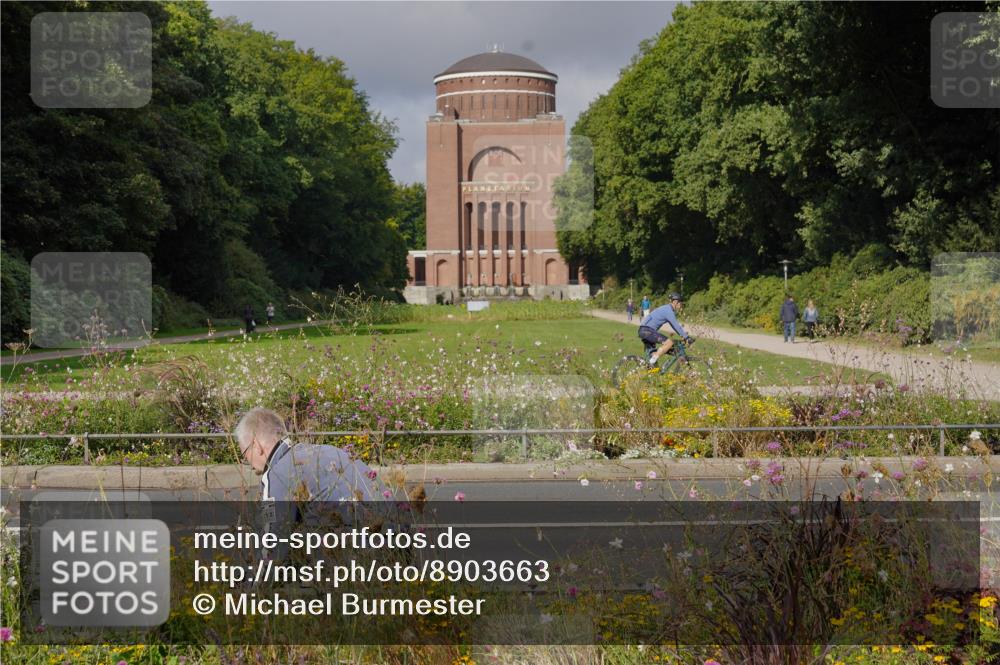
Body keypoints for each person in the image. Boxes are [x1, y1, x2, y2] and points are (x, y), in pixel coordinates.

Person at [236, 407, 385, 560]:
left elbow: (273, 548)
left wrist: (252, 582)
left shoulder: (277, 475)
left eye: (244, 454)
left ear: (256, 445)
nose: (249, 464)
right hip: (399, 543)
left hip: (364, 560)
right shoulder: (330, 451)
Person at [638, 292, 692, 367]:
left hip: (645, 330)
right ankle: (651, 362)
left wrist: (683, 335)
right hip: (647, 330)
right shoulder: (668, 310)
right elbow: (675, 325)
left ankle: (652, 368)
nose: (681, 305)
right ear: (675, 302)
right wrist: (686, 337)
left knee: (654, 358)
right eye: (680, 303)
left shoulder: (666, 308)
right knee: (669, 343)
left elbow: (674, 326)